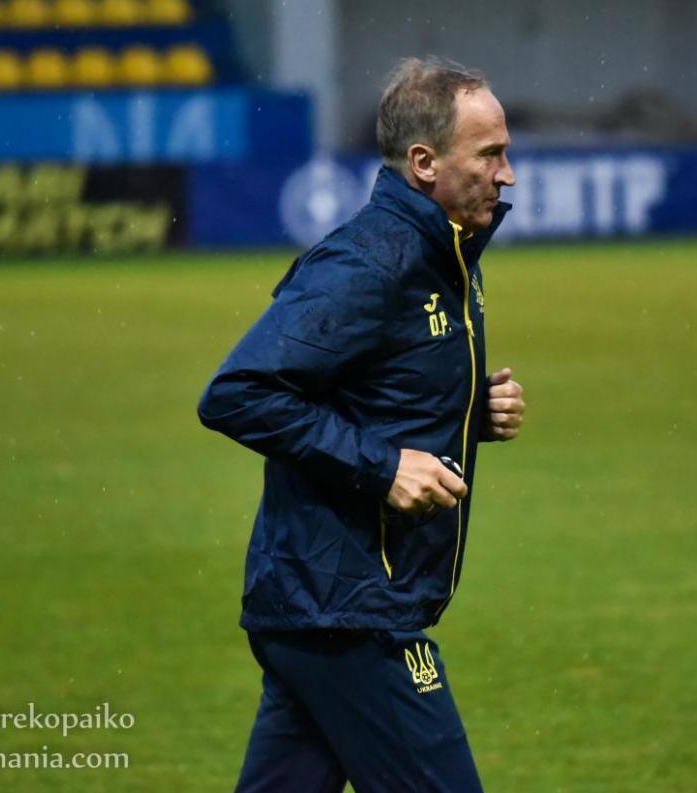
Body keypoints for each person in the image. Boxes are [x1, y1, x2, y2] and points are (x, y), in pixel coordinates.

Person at [197, 56, 525, 793]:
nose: (507, 175)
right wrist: (383, 468)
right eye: (489, 154)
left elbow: (375, 390)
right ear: (424, 162)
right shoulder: (369, 263)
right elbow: (238, 392)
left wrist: (469, 412)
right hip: (352, 611)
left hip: (325, 607)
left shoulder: (444, 254)